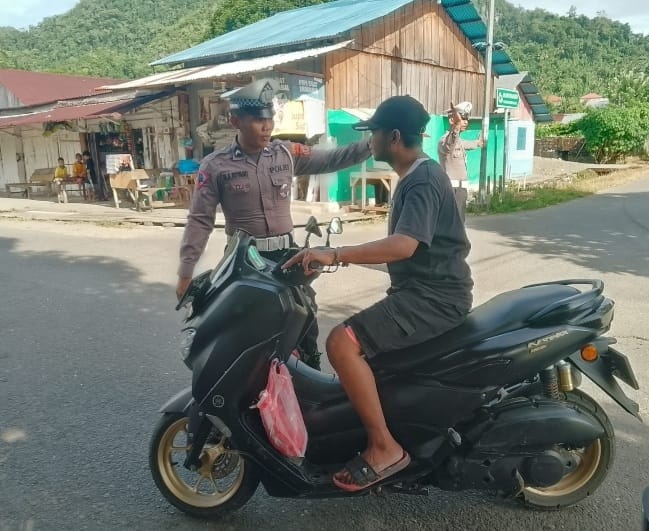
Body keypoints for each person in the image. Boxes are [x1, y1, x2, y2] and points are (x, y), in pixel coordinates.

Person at [283, 95, 473, 492]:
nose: (371, 142)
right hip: (427, 290)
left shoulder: (421, 179)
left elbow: (403, 246)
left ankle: (384, 447)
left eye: (375, 134)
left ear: (395, 136)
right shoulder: (421, 173)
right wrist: (331, 260)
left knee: (341, 343)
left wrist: (335, 252)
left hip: (434, 298)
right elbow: (403, 252)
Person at [176, 78, 372, 370]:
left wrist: (373, 144)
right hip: (244, 263)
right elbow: (199, 221)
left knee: (304, 323)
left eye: (270, 119)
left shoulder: (286, 154)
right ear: (236, 121)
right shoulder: (216, 165)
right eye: (257, 120)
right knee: (247, 335)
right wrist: (185, 273)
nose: (266, 127)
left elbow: (333, 159)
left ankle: (307, 388)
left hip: (287, 258)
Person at [437, 101, 483, 184]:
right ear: (452, 120)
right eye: (462, 119)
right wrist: (456, 126)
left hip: (461, 188)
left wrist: (479, 142)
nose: (466, 122)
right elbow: (449, 144)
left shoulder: (459, 141)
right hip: (451, 188)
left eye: (467, 119)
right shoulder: (444, 140)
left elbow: (470, 144)